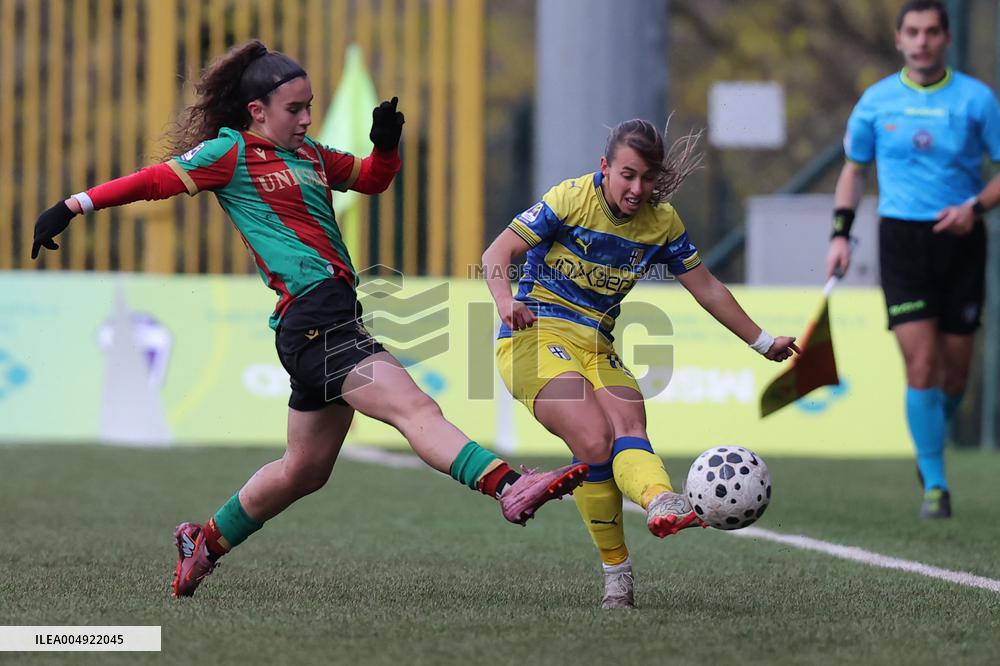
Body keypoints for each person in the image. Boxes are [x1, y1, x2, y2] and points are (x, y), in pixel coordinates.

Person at [30, 40, 588, 599]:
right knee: (414, 406)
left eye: (309, 107)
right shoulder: (231, 153)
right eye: (294, 109)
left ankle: (203, 541)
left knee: (305, 469)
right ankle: (510, 487)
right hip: (314, 321)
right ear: (257, 111)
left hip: (327, 321)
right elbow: (154, 181)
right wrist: (74, 205)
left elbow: (371, 179)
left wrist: (386, 147)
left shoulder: (313, 156)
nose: (305, 118)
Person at [481, 118, 799, 609]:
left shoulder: (662, 222)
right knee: (593, 438)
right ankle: (617, 572)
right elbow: (497, 252)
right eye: (627, 175)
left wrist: (762, 341)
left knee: (630, 425)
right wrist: (505, 300)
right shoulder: (569, 198)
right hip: (534, 336)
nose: (636, 188)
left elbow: (707, 288)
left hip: (597, 345)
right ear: (604, 167)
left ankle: (661, 502)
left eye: (647, 178)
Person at [825, 0, 1000, 519]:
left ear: (945, 39)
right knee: (921, 364)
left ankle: (930, 438)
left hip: (963, 240)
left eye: (931, 32)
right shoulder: (876, 102)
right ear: (900, 40)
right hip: (901, 240)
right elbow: (854, 170)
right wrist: (840, 233)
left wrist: (976, 207)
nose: (922, 41)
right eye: (913, 33)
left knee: (954, 376)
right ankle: (936, 484)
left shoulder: (977, 100)